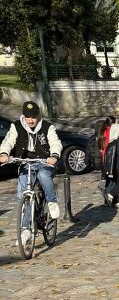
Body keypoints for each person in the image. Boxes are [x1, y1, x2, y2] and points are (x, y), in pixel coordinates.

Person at [0, 101, 62, 246]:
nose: (31, 120)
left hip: (45, 162)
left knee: (43, 175)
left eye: (33, 117)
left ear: (38, 116)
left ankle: (52, 202)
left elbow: (55, 142)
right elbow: (8, 141)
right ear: (23, 116)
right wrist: (4, 153)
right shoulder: (16, 126)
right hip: (25, 162)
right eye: (28, 117)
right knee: (23, 194)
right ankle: (26, 230)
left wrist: (54, 156)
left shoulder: (47, 127)